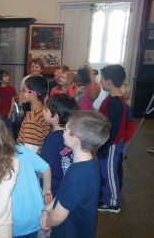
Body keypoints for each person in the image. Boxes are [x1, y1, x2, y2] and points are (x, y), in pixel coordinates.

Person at [40, 111, 110, 238]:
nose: (63, 132)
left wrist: (47, 223)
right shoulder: (90, 161)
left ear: (75, 140)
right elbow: (63, 194)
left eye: (66, 129)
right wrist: (46, 210)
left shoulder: (77, 175)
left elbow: (57, 217)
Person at [97, 64, 128, 213]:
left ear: (109, 81)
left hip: (111, 144)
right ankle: (106, 196)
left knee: (110, 172)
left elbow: (114, 129)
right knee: (104, 170)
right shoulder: (110, 98)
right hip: (107, 143)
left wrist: (104, 145)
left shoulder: (115, 102)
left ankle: (113, 203)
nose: (100, 81)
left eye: (102, 78)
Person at [41, 94, 78, 197]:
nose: (43, 111)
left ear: (56, 116)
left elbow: (43, 167)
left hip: (53, 190)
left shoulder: (51, 140)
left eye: (46, 110)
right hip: (68, 187)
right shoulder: (74, 135)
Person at [12, 142, 52, 238]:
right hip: (35, 215)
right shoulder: (22, 149)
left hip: (14, 221)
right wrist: (47, 190)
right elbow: (45, 168)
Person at [17, 76, 50, 153]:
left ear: (33, 94)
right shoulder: (44, 111)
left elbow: (30, 150)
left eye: (24, 90)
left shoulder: (32, 119)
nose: (22, 93)